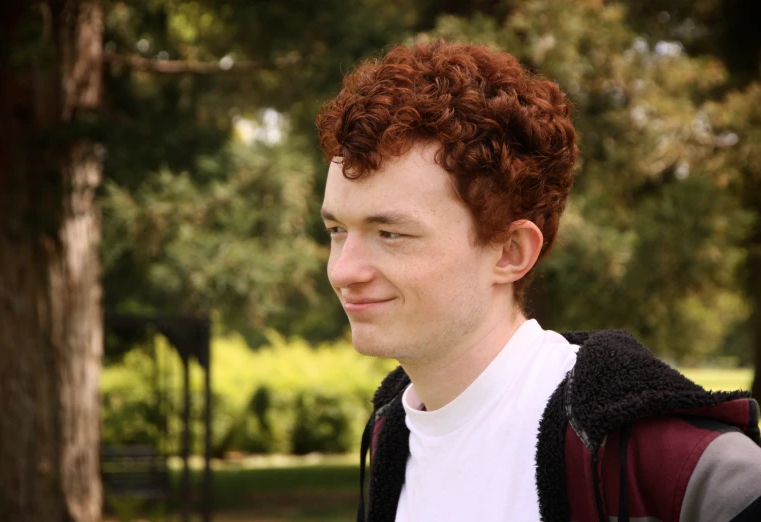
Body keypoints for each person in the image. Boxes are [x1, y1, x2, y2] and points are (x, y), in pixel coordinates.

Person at [315, 39, 761, 522]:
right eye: (338, 230)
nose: (343, 271)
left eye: (390, 233)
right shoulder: (390, 437)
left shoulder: (659, 458)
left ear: (510, 253)